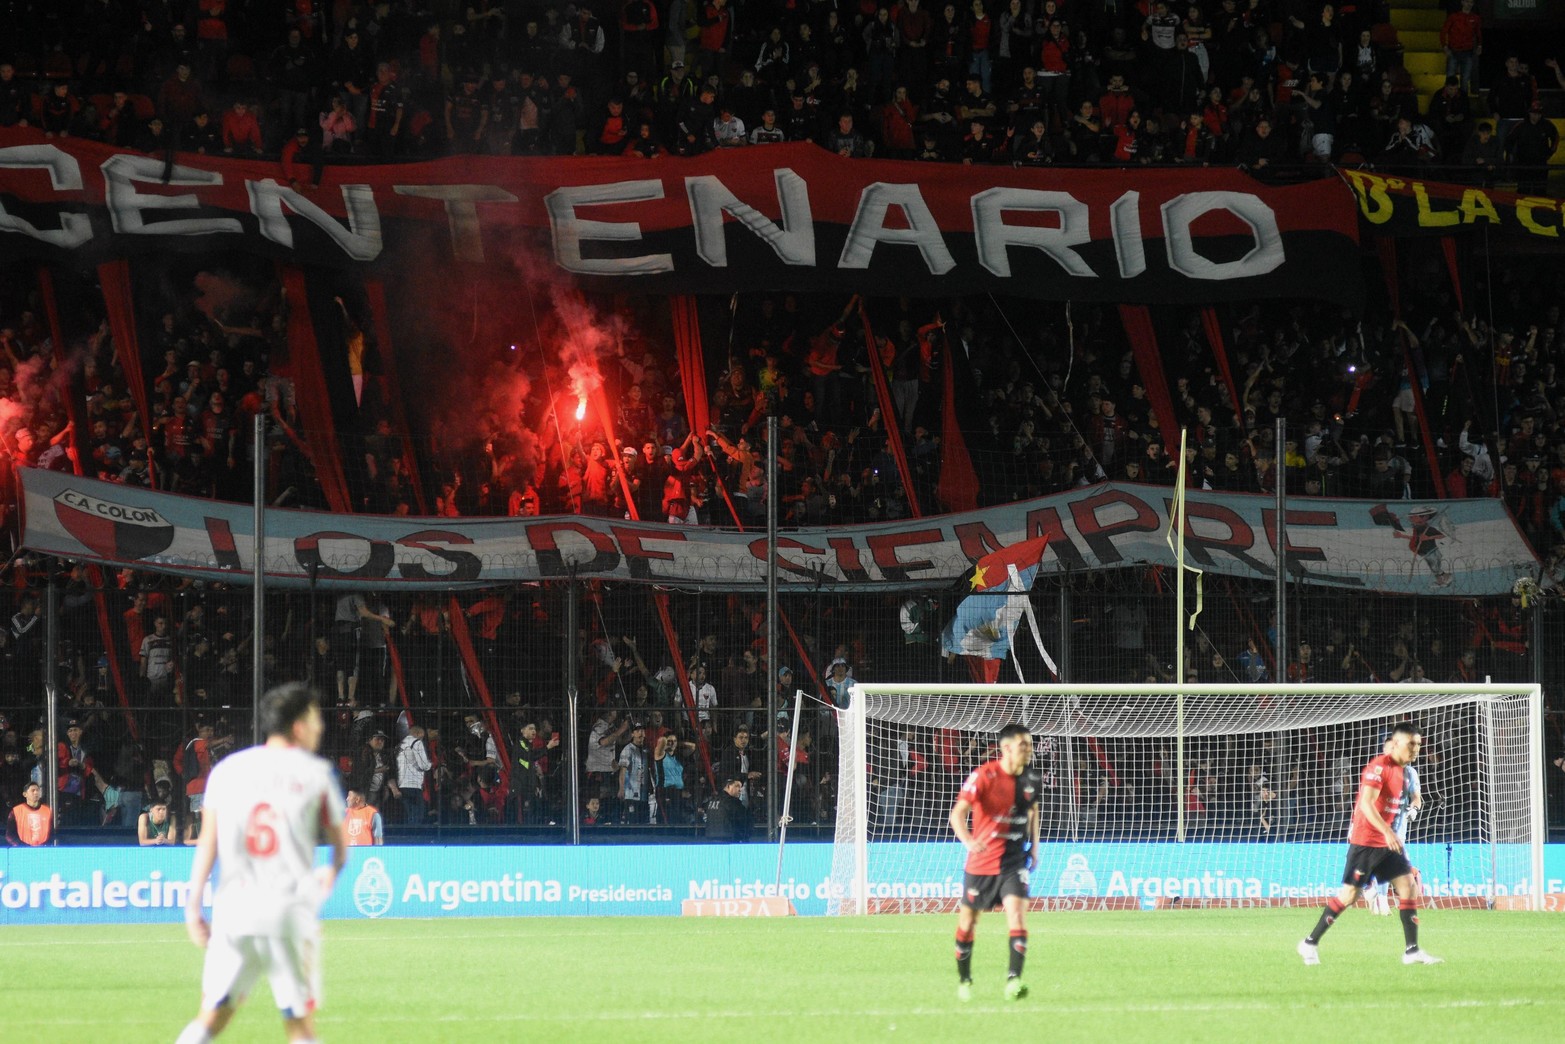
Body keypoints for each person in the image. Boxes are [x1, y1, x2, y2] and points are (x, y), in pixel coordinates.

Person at [177, 683, 348, 1044]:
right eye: (316, 719)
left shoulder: (227, 770)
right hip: (289, 911)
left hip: (234, 910)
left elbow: (208, 842)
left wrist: (193, 907)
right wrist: (329, 875)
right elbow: (340, 849)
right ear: (299, 726)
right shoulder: (317, 774)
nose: (321, 728)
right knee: (300, 1027)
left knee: (210, 1018)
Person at [1297, 722, 1442, 966]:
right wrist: (1387, 831)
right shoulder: (1378, 768)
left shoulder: (1407, 773)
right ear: (1395, 744)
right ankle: (1310, 943)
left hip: (1386, 843)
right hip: (1366, 842)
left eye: (1418, 744)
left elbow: (1412, 799)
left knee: (1408, 887)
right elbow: (1366, 804)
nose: (1416, 748)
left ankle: (1412, 950)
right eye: (1411, 743)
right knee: (1349, 895)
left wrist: (1404, 818)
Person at [949, 723, 1040, 1002]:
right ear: (1007, 748)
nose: (1029, 750)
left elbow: (1034, 810)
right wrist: (967, 840)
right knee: (968, 923)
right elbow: (957, 814)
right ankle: (965, 979)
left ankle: (1014, 981)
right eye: (1024, 745)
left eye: (1030, 745)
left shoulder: (1032, 779)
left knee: (1017, 915)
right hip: (982, 864)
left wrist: (1035, 846)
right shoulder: (983, 776)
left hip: (1014, 862)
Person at [397, 725, 432, 825]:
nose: (423, 739)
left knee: (407, 814)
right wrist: (430, 765)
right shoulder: (416, 742)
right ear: (417, 733)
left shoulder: (400, 745)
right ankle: (415, 836)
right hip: (413, 784)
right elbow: (423, 765)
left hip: (401, 784)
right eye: (422, 736)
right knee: (418, 814)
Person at [704, 775, 751, 840]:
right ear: (729, 786)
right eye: (737, 786)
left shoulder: (712, 800)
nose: (740, 790)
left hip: (710, 840)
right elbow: (744, 822)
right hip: (728, 840)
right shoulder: (733, 802)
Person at [7, 781, 51, 846]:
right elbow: (10, 835)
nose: (36, 792)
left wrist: (46, 845)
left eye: (38, 790)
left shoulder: (47, 811)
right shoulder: (16, 811)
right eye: (33, 791)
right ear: (25, 794)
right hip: (23, 850)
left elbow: (52, 832)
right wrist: (22, 846)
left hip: (43, 849)